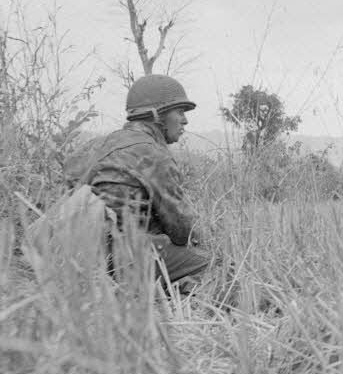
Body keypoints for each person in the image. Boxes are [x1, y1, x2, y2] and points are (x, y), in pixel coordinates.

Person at [64, 74, 228, 299]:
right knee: (217, 267)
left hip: (79, 254)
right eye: (179, 111)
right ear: (157, 115)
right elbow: (182, 230)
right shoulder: (153, 154)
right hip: (122, 258)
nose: (185, 120)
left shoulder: (96, 145)